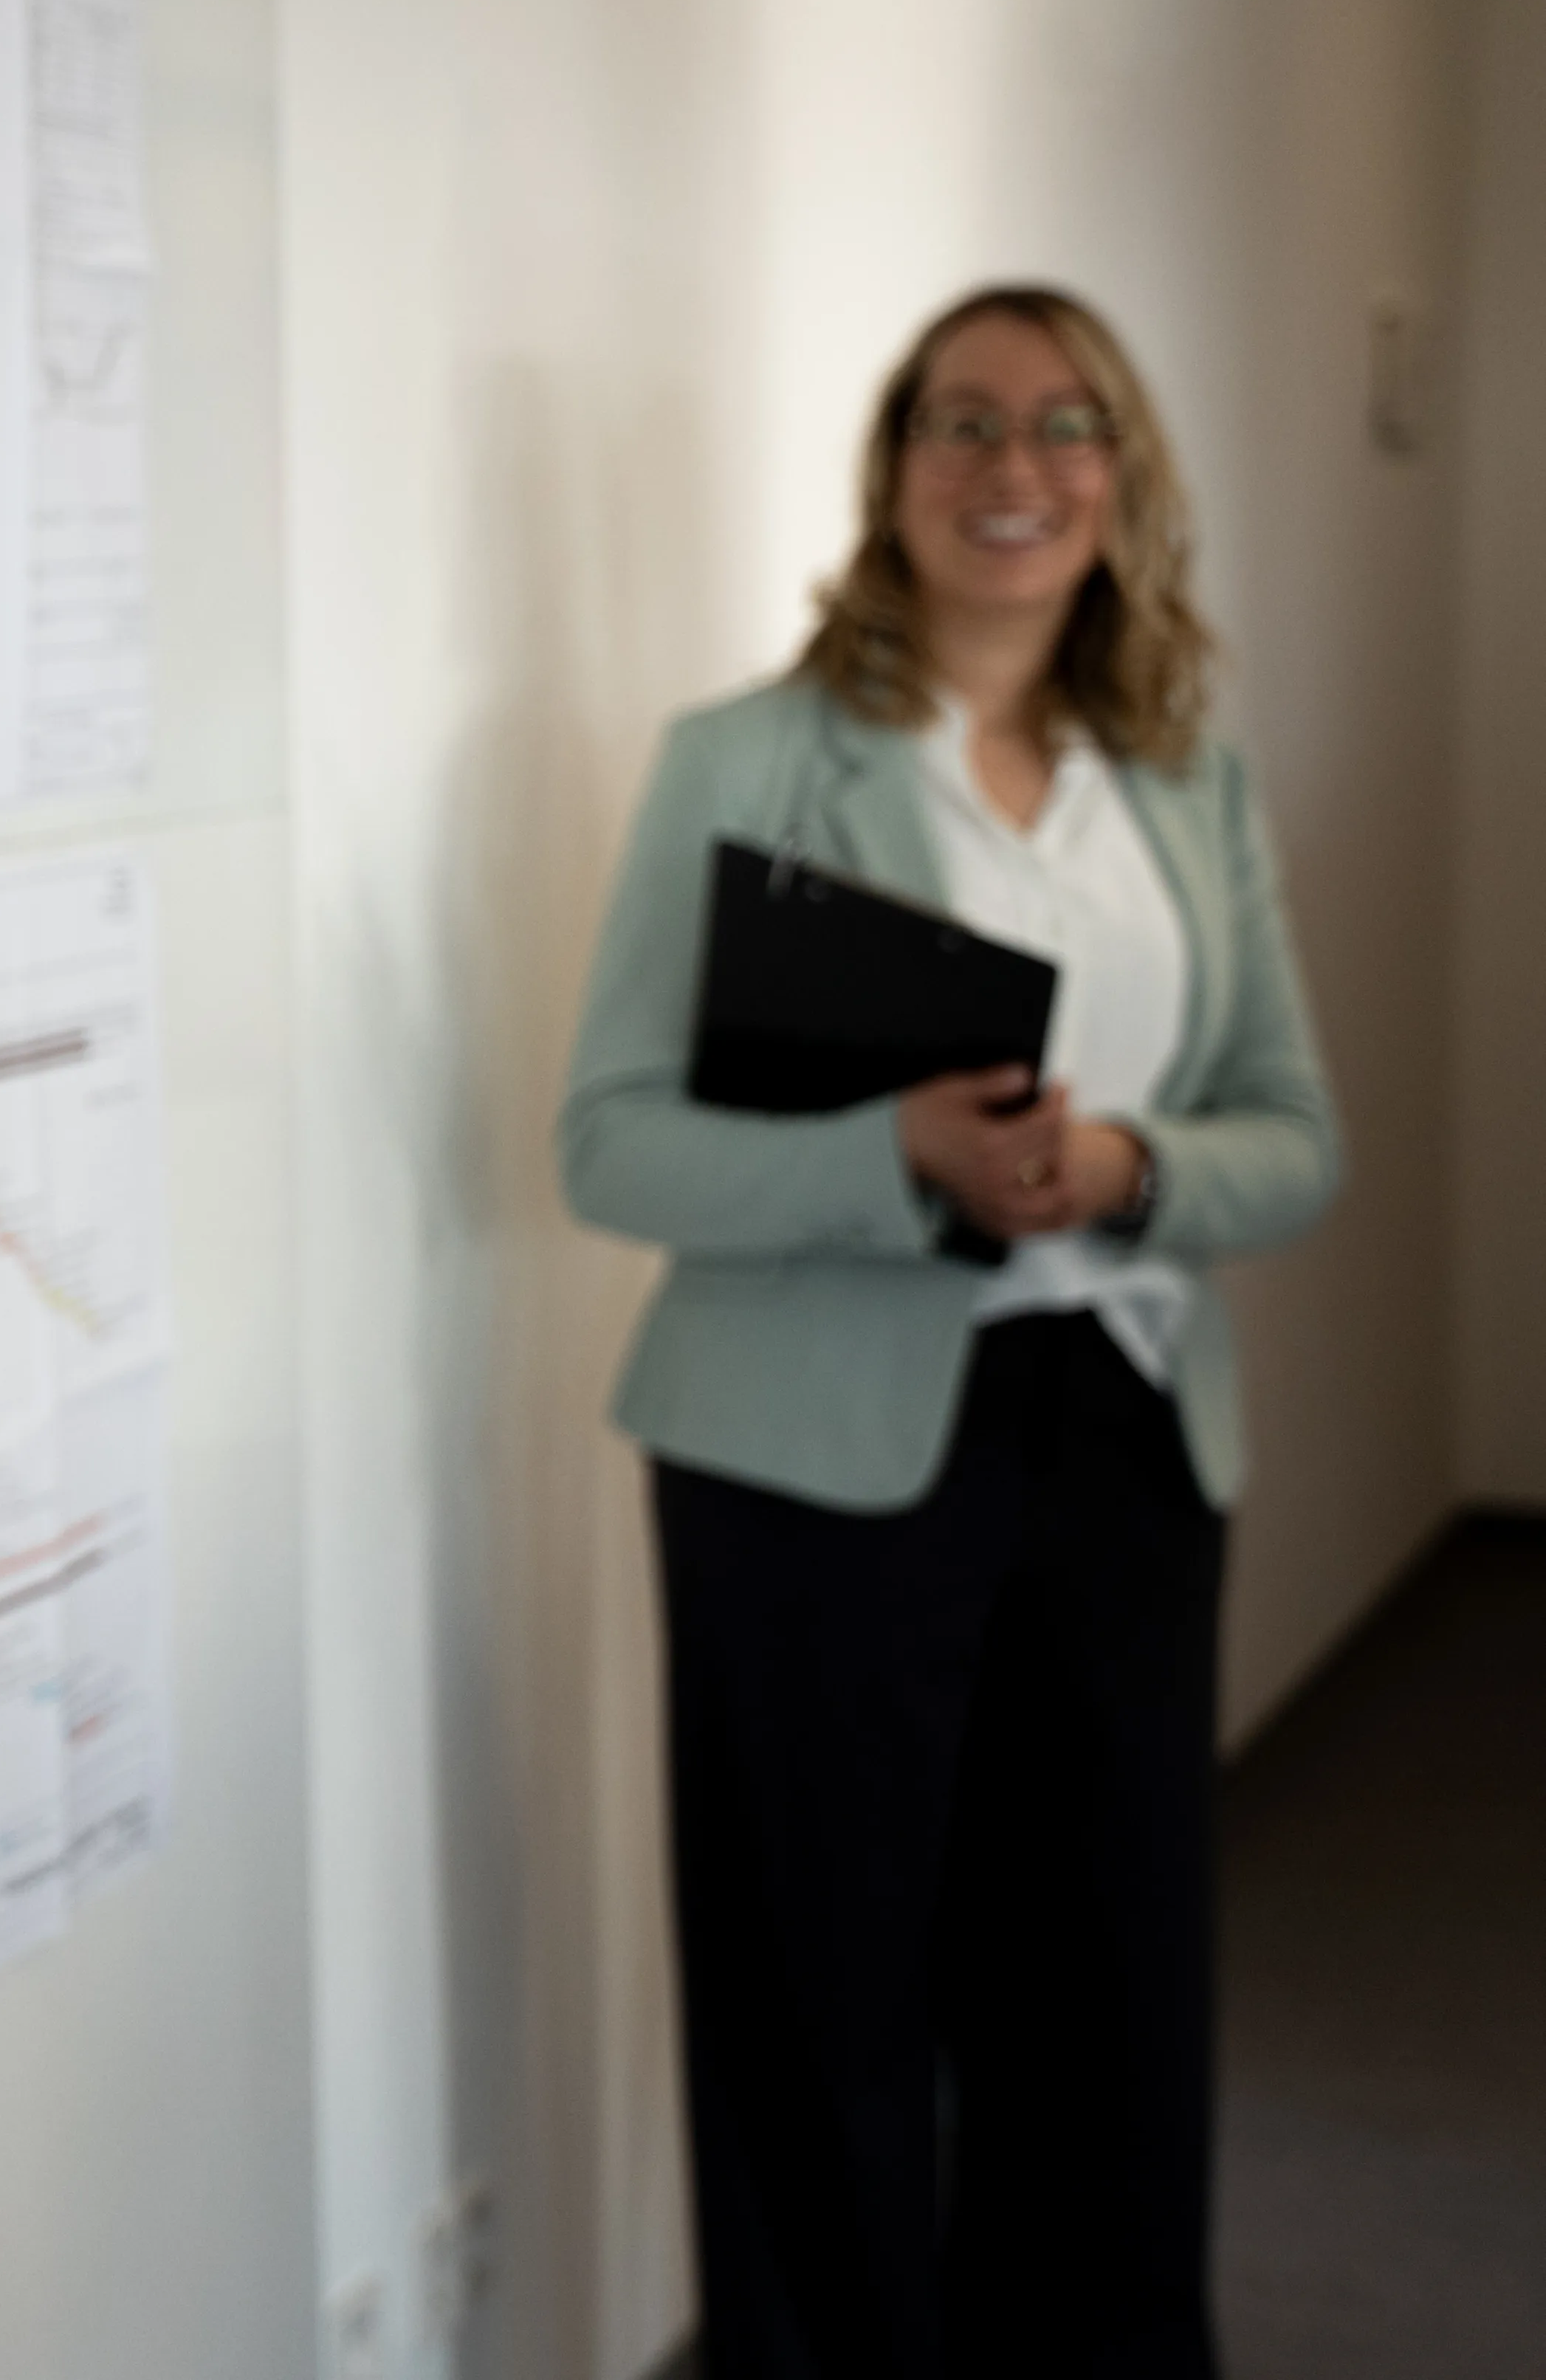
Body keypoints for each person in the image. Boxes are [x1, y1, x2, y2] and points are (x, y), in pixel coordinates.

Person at [560, 286, 1341, 2379]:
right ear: (892, 467)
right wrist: (889, 1148)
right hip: (802, 1455)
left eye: (1066, 425)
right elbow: (607, 1144)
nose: (1013, 469)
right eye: (963, 421)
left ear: (1123, 477)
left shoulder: (1183, 778)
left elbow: (1294, 1132)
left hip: (1123, 1432)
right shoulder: (745, 762)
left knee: (1104, 1992)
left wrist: (1130, 1170)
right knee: (817, 1999)